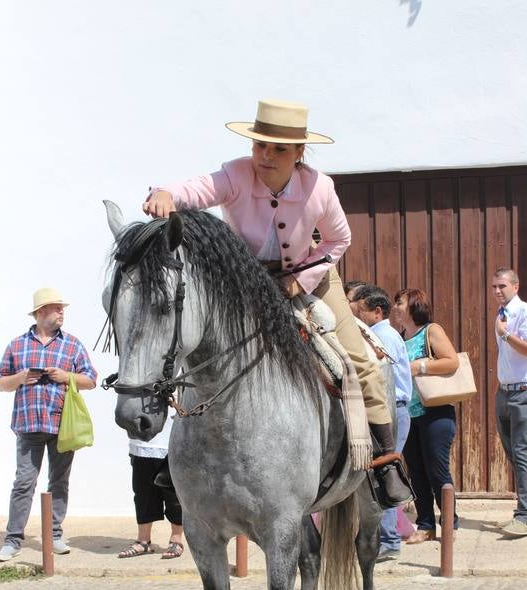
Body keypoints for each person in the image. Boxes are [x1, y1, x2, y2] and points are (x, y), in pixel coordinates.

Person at [142, 98, 410, 506]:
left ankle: (385, 460)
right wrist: (165, 193)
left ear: (299, 153)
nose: (266, 156)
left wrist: (300, 279)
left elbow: (339, 240)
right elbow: (196, 189)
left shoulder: (320, 187)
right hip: (246, 280)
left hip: (312, 277)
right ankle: (184, 454)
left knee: (357, 358)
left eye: (279, 149)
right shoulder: (236, 173)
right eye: (259, 146)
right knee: (198, 346)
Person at [0, 287, 97, 562]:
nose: (62, 311)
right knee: (24, 483)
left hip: (62, 426)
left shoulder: (72, 344)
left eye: (62, 307)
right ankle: (13, 540)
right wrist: (21, 377)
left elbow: (91, 379)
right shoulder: (17, 345)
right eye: (56, 307)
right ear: (40, 313)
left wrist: (66, 376)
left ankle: (55, 535)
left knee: (59, 482)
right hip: (28, 426)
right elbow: (1, 382)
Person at [392, 288, 459, 543]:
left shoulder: (431, 331)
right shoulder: (398, 338)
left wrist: (417, 366)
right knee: (416, 471)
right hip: (410, 414)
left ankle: (450, 523)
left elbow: (451, 361)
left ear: (413, 306)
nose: (395, 307)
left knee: (437, 469)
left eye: (400, 302)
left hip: (436, 411)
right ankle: (426, 525)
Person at [354, 287, 412, 560]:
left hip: (391, 411)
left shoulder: (384, 336)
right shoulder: (380, 334)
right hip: (388, 411)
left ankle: (389, 540)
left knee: (386, 472)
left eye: (361, 309)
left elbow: (379, 379)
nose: (358, 313)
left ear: (377, 311)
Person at [118, 413, 185, 559]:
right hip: (141, 442)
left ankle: (176, 539)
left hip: (171, 440)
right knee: (143, 493)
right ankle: (143, 540)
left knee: (173, 495)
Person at [492, 267, 527, 536]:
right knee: (513, 454)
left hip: (522, 393)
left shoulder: (523, 312)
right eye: (494, 287)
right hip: (504, 392)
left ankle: (524, 515)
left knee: (521, 452)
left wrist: (504, 334)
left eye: (502, 286)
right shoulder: (501, 315)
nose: (497, 291)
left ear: (515, 287)